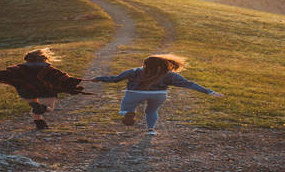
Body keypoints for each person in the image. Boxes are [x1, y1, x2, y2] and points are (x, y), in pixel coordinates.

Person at [91, 54, 223, 135]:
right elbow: (188, 83)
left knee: (127, 105)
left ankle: (128, 113)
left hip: (135, 93)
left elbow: (115, 79)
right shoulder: (169, 74)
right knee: (151, 110)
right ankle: (151, 130)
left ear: (145, 64)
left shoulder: (134, 71)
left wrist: (99, 78)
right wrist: (208, 91)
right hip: (158, 94)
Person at [0, 48, 89, 130]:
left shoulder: (18, 69)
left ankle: (39, 124)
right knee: (48, 108)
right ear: (44, 58)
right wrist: (79, 82)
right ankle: (43, 110)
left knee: (35, 106)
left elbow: (1, 74)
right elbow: (63, 78)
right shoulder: (49, 69)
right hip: (46, 90)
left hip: (27, 91)